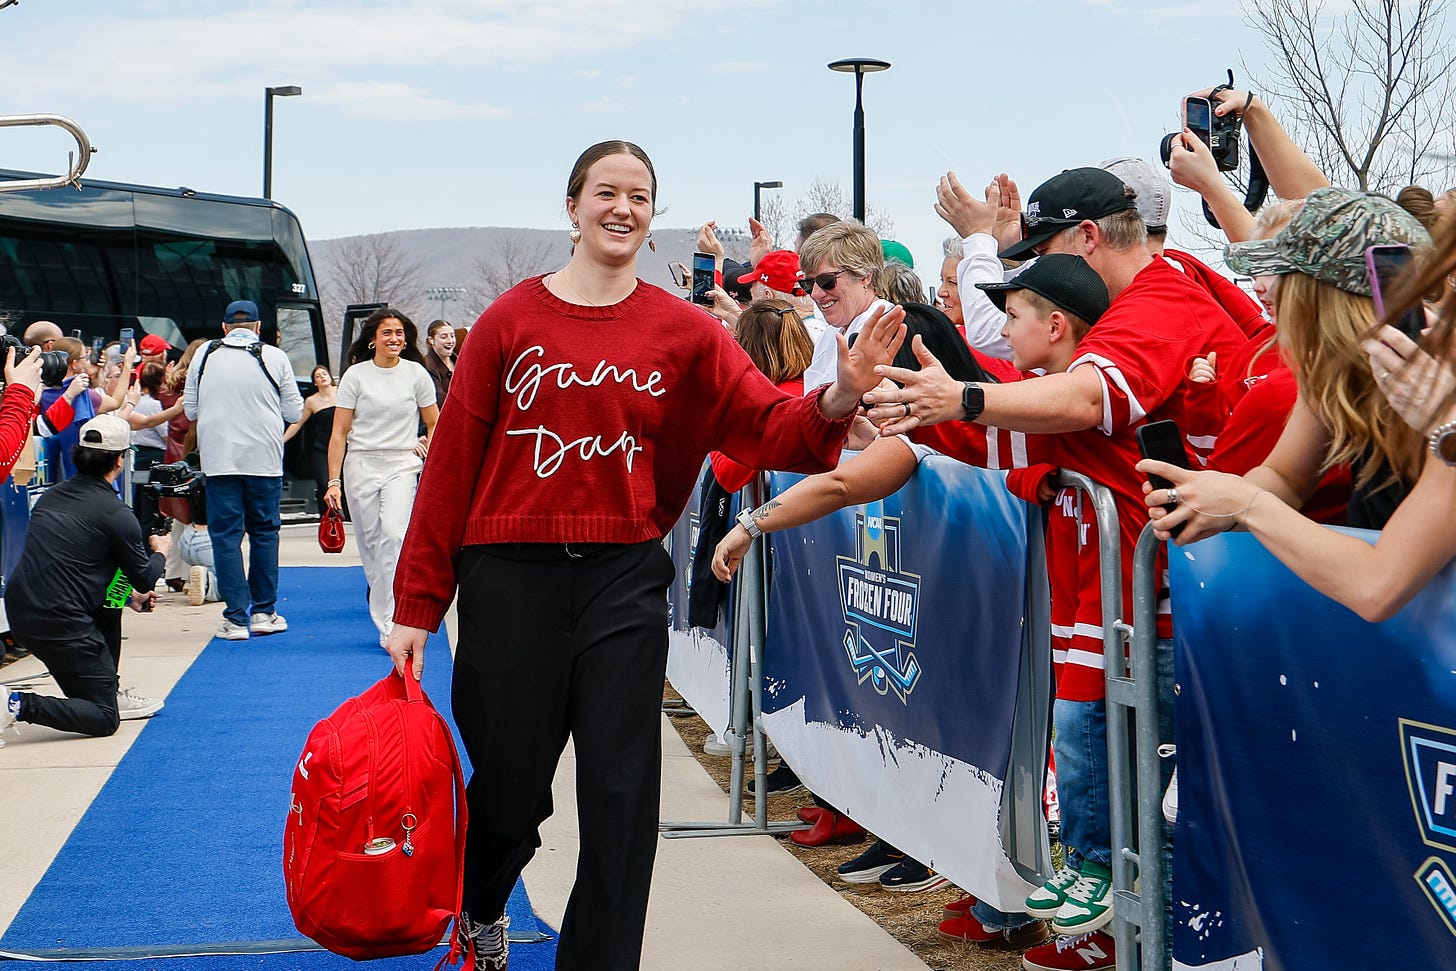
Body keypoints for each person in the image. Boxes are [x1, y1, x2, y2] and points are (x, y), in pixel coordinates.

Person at [386, 139, 905, 971]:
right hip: (509, 581)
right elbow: (449, 468)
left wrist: (840, 393)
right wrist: (418, 605)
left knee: (623, 797)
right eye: (606, 192)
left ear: (650, 211)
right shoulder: (508, 322)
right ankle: (483, 901)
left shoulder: (684, 332)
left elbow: (769, 424)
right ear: (573, 206)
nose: (622, 208)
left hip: (623, 579)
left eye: (638, 195)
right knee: (511, 793)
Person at [1140, 188, 1449, 622]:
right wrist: (1213, 504)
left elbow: (1377, 586)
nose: (1267, 294)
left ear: (1319, 295)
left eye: (1280, 277)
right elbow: (1285, 475)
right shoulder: (1341, 367)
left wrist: (1246, 503)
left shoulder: (1442, 383)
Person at [0, 415, 171, 746]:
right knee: (105, 719)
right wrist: (161, 551)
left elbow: (81, 565)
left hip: (23, 614)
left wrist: (126, 596)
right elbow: (146, 576)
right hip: (62, 624)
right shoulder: (116, 513)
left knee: (114, 597)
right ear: (120, 460)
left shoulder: (51, 497)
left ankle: (109, 689)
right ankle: (14, 704)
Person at [184, 299, 303, 641]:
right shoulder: (274, 356)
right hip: (264, 459)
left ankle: (236, 619)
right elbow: (294, 412)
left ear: (223, 327)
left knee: (225, 538)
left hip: (219, 459)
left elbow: (191, 411)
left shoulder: (205, 355)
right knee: (265, 534)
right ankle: (264, 612)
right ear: (258, 327)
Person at [323, 308, 438, 648]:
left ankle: (391, 623)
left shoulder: (416, 374)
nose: (395, 339)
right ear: (373, 339)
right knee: (372, 546)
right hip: (360, 465)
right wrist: (333, 482)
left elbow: (436, 422)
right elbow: (339, 433)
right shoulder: (355, 377)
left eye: (400, 333)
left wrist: (428, 451)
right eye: (387, 333)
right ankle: (384, 608)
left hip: (402, 465)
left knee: (394, 536)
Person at [800, 219, 896, 390]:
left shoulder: (893, 330)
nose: (815, 293)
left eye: (826, 280)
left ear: (865, 276)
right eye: (807, 283)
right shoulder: (828, 336)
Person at [282, 365, 341, 515]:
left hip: (342, 446)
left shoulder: (342, 392)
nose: (322, 377)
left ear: (330, 377)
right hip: (321, 448)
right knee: (323, 483)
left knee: (345, 483)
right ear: (315, 383)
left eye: (324, 374)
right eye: (318, 376)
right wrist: (281, 441)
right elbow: (298, 423)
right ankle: (327, 518)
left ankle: (346, 516)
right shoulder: (311, 401)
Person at [422, 320, 457, 406]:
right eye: (444, 337)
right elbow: (440, 400)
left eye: (452, 336)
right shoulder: (427, 366)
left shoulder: (461, 362)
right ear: (431, 340)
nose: (450, 341)